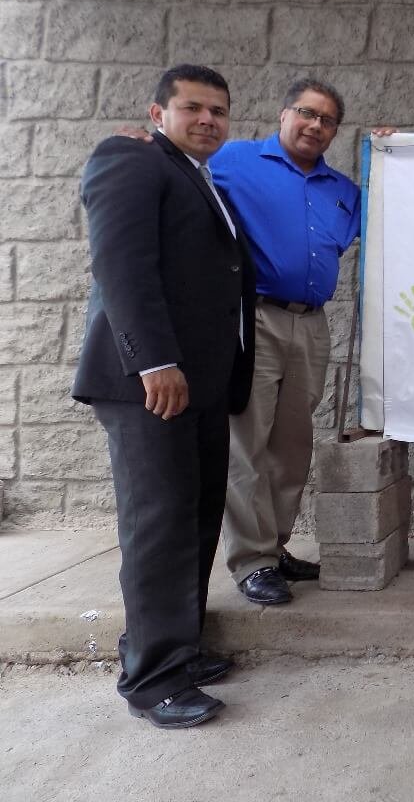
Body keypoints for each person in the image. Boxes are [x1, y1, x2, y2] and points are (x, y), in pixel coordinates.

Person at [120, 80, 362, 606]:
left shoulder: (343, 191)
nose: (315, 126)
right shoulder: (233, 160)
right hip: (254, 319)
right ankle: (251, 561)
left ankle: (273, 549)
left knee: (291, 446)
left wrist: (394, 152)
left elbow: (398, 217)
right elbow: (176, 164)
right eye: (306, 113)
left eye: (327, 120)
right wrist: (141, 143)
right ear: (283, 114)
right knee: (246, 442)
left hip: (312, 325)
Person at [72, 65, 255, 728]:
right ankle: (154, 680)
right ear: (158, 112)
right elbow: (120, 266)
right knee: (159, 526)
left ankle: (179, 647)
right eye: (193, 107)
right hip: (150, 384)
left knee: (196, 517)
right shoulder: (131, 158)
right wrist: (155, 362)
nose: (208, 119)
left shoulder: (196, 176)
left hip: (197, 386)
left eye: (219, 111)